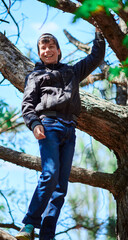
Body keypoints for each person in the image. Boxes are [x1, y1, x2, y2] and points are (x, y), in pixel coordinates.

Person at [16, 28, 105, 240]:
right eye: (43, 48)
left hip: (69, 130)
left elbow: (96, 57)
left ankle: (47, 235)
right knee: (49, 173)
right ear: (39, 53)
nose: (47, 50)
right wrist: (34, 123)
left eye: (51, 47)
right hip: (49, 125)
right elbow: (28, 104)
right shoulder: (35, 76)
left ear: (58, 50)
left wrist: (100, 32)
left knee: (60, 188)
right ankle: (28, 224)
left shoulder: (72, 72)